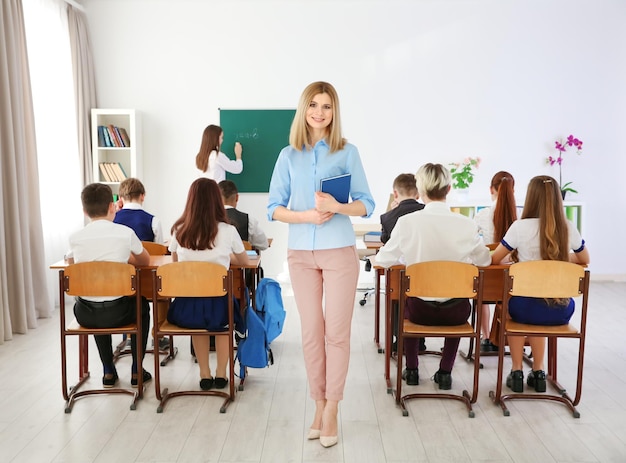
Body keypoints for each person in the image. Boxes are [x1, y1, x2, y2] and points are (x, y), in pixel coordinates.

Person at [267, 81, 375, 448]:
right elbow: (274, 208)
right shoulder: (287, 156)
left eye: (326, 106)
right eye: (313, 104)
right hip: (300, 254)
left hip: (339, 252)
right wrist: (308, 217)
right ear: (304, 109)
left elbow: (366, 204)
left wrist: (337, 208)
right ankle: (317, 404)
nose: (319, 112)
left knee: (337, 335)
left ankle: (332, 408)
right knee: (311, 333)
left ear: (334, 112)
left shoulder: (347, 152)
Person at [374, 163, 491, 389]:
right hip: (456, 313)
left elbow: (384, 260)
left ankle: (412, 370)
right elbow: (484, 260)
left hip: (419, 311)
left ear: (420, 191)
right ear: (448, 189)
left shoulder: (407, 223)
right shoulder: (467, 224)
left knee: (407, 304)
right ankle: (445, 372)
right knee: (458, 299)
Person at [490, 175, 590, 393]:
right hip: (560, 309)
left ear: (530, 197)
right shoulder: (567, 226)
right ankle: (538, 371)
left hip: (524, 307)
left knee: (513, 308)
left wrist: (520, 262)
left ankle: (517, 371)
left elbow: (496, 259)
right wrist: (559, 257)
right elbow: (584, 259)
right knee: (542, 304)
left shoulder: (520, 227)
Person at [167, 178, 249, 391]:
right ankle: (221, 373)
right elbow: (244, 262)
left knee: (198, 327)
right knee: (224, 326)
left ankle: (204, 373)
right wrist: (222, 258)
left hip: (186, 307)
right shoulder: (228, 230)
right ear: (216, 201)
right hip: (219, 305)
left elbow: (175, 264)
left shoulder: (179, 229)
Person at [67, 183, 152, 388]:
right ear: (112, 206)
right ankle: (136, 370)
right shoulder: (125, 233)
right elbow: (145, 262)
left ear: (85, 211)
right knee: (142, 306)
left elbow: (71, 265)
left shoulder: (74, 238)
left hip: (86, 314)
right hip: (120, 312)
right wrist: (124, 259)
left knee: (93, 296)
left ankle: (108, 370)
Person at [379, 173, 426, 352]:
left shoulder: (388, 217)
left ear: (395, 194)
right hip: (427, 273)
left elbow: (385, 242)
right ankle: (419, 340)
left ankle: (400, 339)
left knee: (397, 293)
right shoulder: (425, 212)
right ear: (418, 193)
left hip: (401, 273)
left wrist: (392, 211)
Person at [473, 171, 517, 352]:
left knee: (481, 298)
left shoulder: (482, 215)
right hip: (516, 278)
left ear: (491, 189)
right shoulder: (521, 216)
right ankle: (507, 334)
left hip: (489, 275)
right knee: (506, 296)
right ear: (513, 190)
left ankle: (486, 337)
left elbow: (472, 241)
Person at [218, 179, 269, 252]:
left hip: (214, 263)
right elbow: (264, 245)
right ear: (237, 197)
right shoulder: (248, 220)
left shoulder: (207, 220)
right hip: (242, 262)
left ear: (216, 198)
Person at [114, 177, 164, 244]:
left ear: (120, 198)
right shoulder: (154, 221)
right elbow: (159, 250)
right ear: (142, 196)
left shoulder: (112, 220)